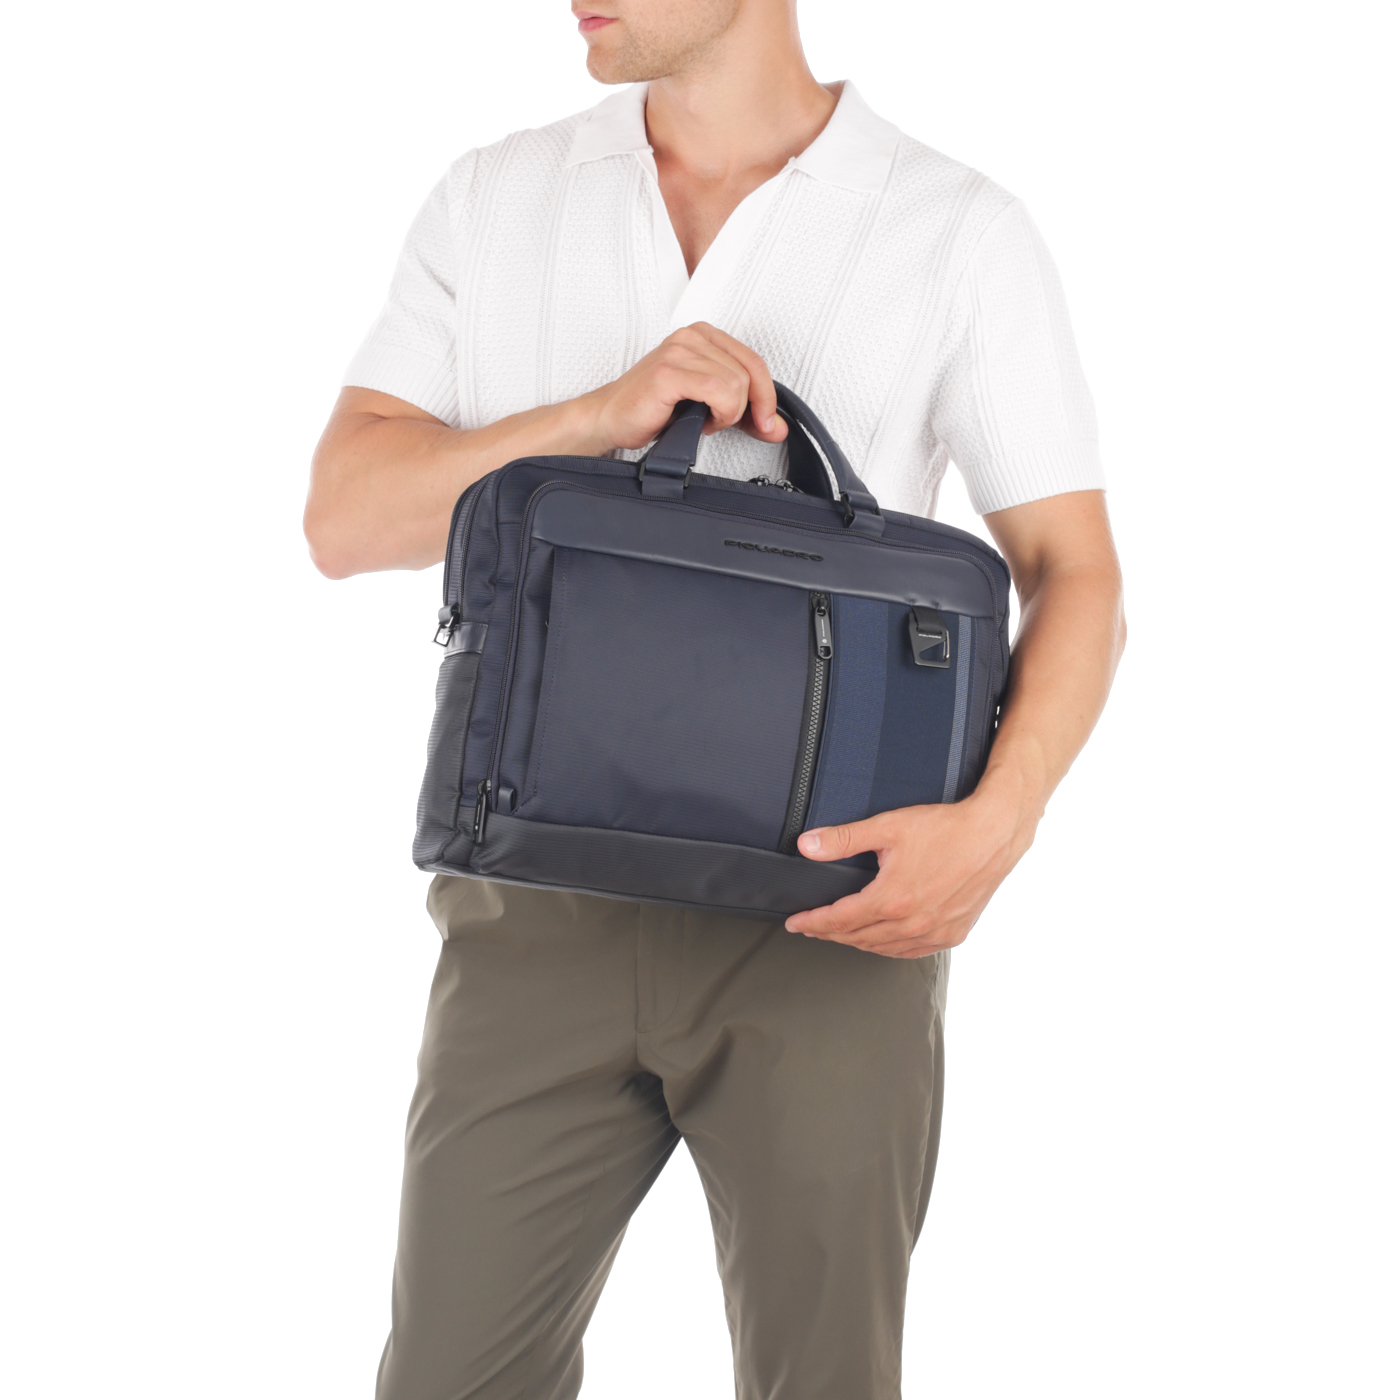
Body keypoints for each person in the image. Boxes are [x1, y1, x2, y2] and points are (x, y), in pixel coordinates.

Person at [306, 2, 1126, 1395]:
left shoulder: (954, 228)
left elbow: (1075, 573)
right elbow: (343, 517)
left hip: (829, 921)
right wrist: (592, 418)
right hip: (532, 910)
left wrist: (1001, 823)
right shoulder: (497, 196)